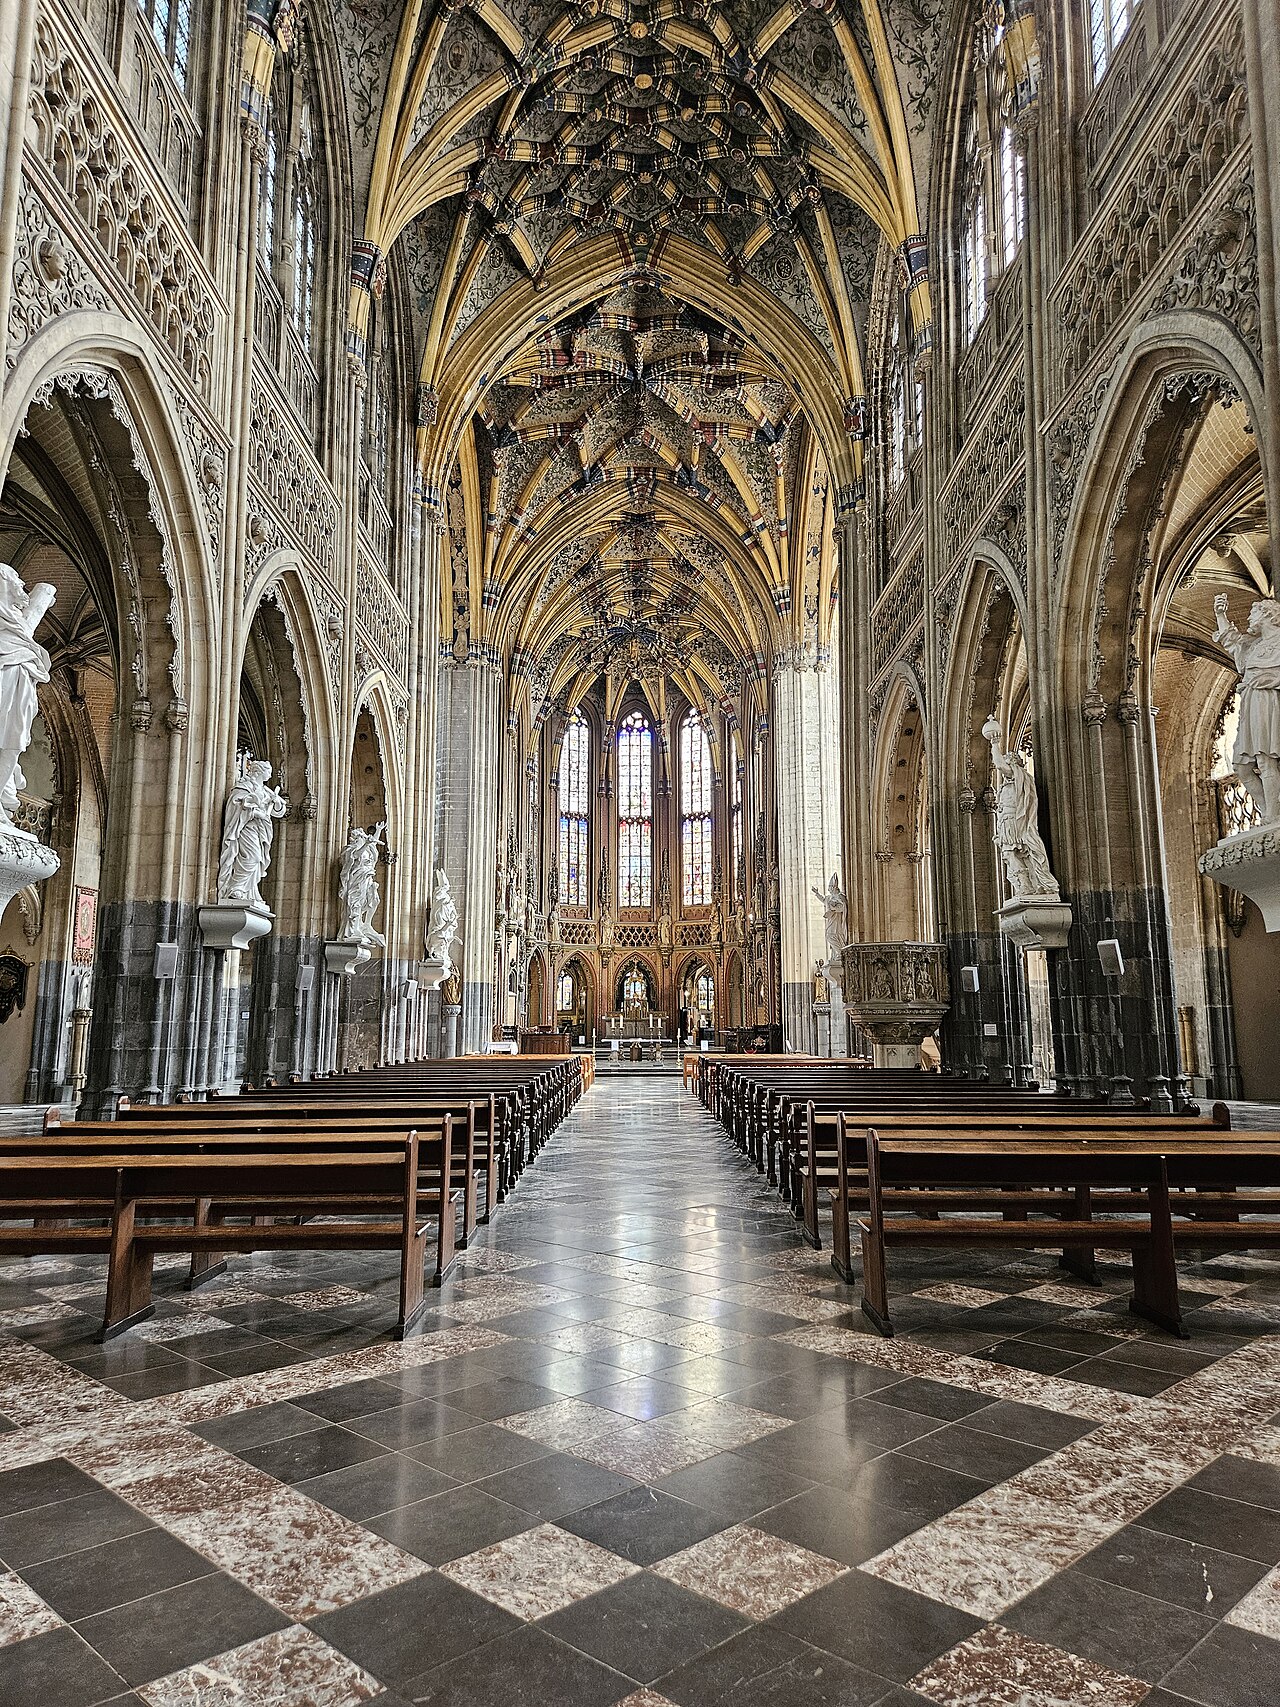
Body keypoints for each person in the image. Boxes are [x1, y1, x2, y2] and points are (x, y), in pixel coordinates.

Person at [1214, 594, 1280, 823]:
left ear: (1268, 614)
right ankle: (1269, 810)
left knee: (1265, 760)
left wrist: (1271, 679)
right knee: (1242, 767)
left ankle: (1272, 817)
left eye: (1253, 613)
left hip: (1269, 702)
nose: (1249, 618)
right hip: (1251, 703)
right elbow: (1231, 641)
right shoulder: (1253, 646)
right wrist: (1220, 614)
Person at [0, 564, 56, 830]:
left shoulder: (19, 624)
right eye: (15, 580)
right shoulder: (7, 622)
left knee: (13, 746)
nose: (21, 584)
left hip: (20, 693)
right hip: (4, 685)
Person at [982, 716, 1058, 900]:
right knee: (1010, 853)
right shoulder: (1007, 785)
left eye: (1008, 761)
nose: (1004, 767)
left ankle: (1035, 884)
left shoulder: (1020, 776)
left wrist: (995, 743)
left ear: (1014, 764)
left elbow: (999, 765)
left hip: (1018, 822)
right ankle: (1024, 886)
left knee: (1020, 850)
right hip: (1006, 823)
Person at [216, 758, 287, 909]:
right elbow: (235, 805)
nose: (270, 775)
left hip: (261, 830)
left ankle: (249, 891)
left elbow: (279, 811)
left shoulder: (265, 790)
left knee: (258, 858)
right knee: (252, 857)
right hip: (246, 827)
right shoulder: (244, 786)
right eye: (268, 772)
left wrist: (277, 802)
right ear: (259, 772)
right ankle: (235, 888)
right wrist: (255, 813)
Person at [337, 821, 386, 946]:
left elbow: (373, 844)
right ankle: (352, 930)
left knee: (372, 900)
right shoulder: (351, 849)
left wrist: (378, 830)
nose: (362, 838)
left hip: (366, 879)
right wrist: (366, 844)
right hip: (356, 880)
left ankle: (363, 926)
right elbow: (355, 855)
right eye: (360, 836)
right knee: (355, 903)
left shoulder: (367, 849)